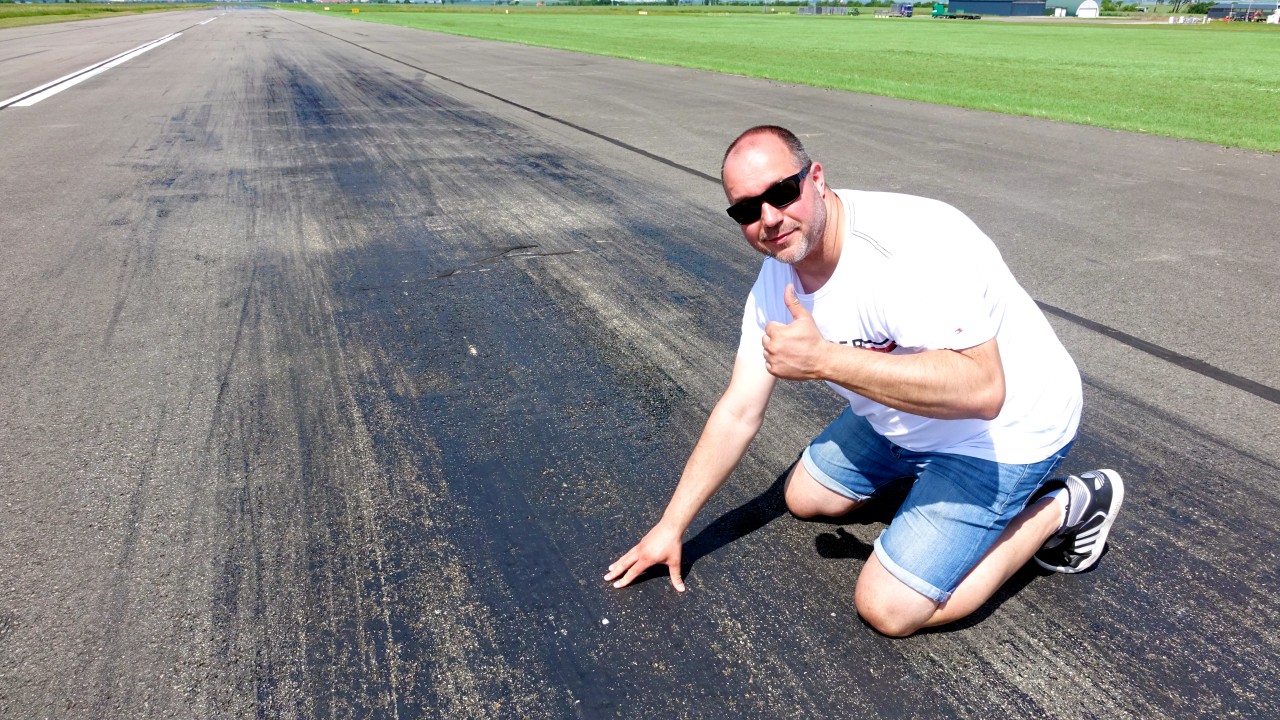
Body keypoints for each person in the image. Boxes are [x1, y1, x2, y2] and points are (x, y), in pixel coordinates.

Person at [604, 125, 1124, 637]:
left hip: (1006, 431)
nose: (768, 218)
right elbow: (740, 409)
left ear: (816, 179)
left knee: (888, 608)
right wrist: (671, 528)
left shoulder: (907, 250)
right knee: (805, 497)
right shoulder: (778, 278)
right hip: (907, 421)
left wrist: (825, 360)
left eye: (782, 192)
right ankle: (928, 491)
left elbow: (983, 391)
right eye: (745, 209)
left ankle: (1066, 506)